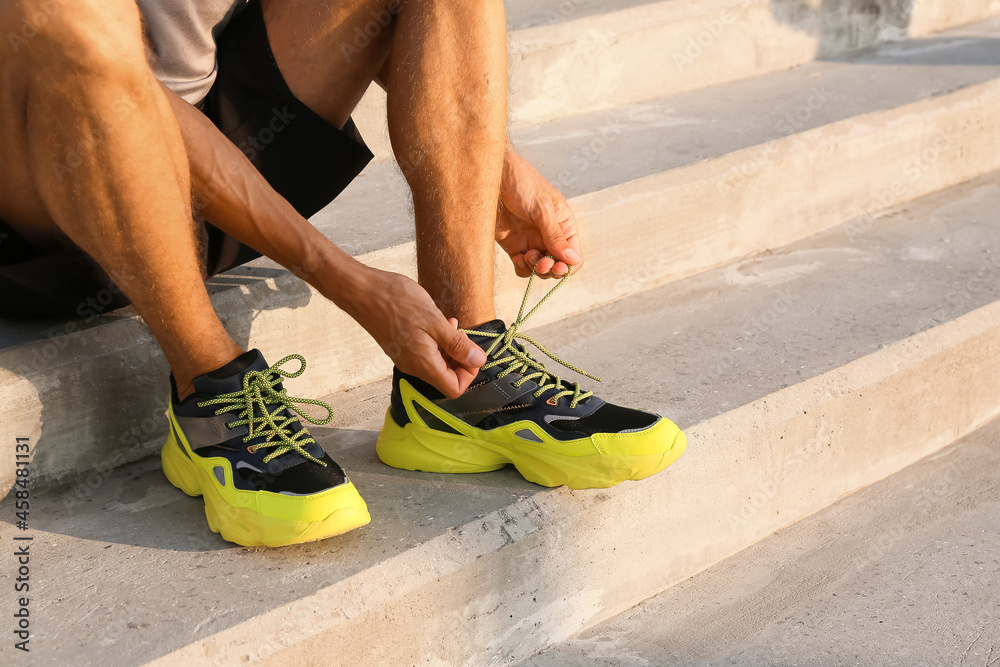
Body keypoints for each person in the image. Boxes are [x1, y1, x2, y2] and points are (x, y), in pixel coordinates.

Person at [0, 0, 686, 547]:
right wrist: (347, 279)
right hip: (56, 207)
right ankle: (210, 387)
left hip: (220, 158)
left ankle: (458, 373)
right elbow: (128, 98)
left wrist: (493, 163)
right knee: (66, 18)